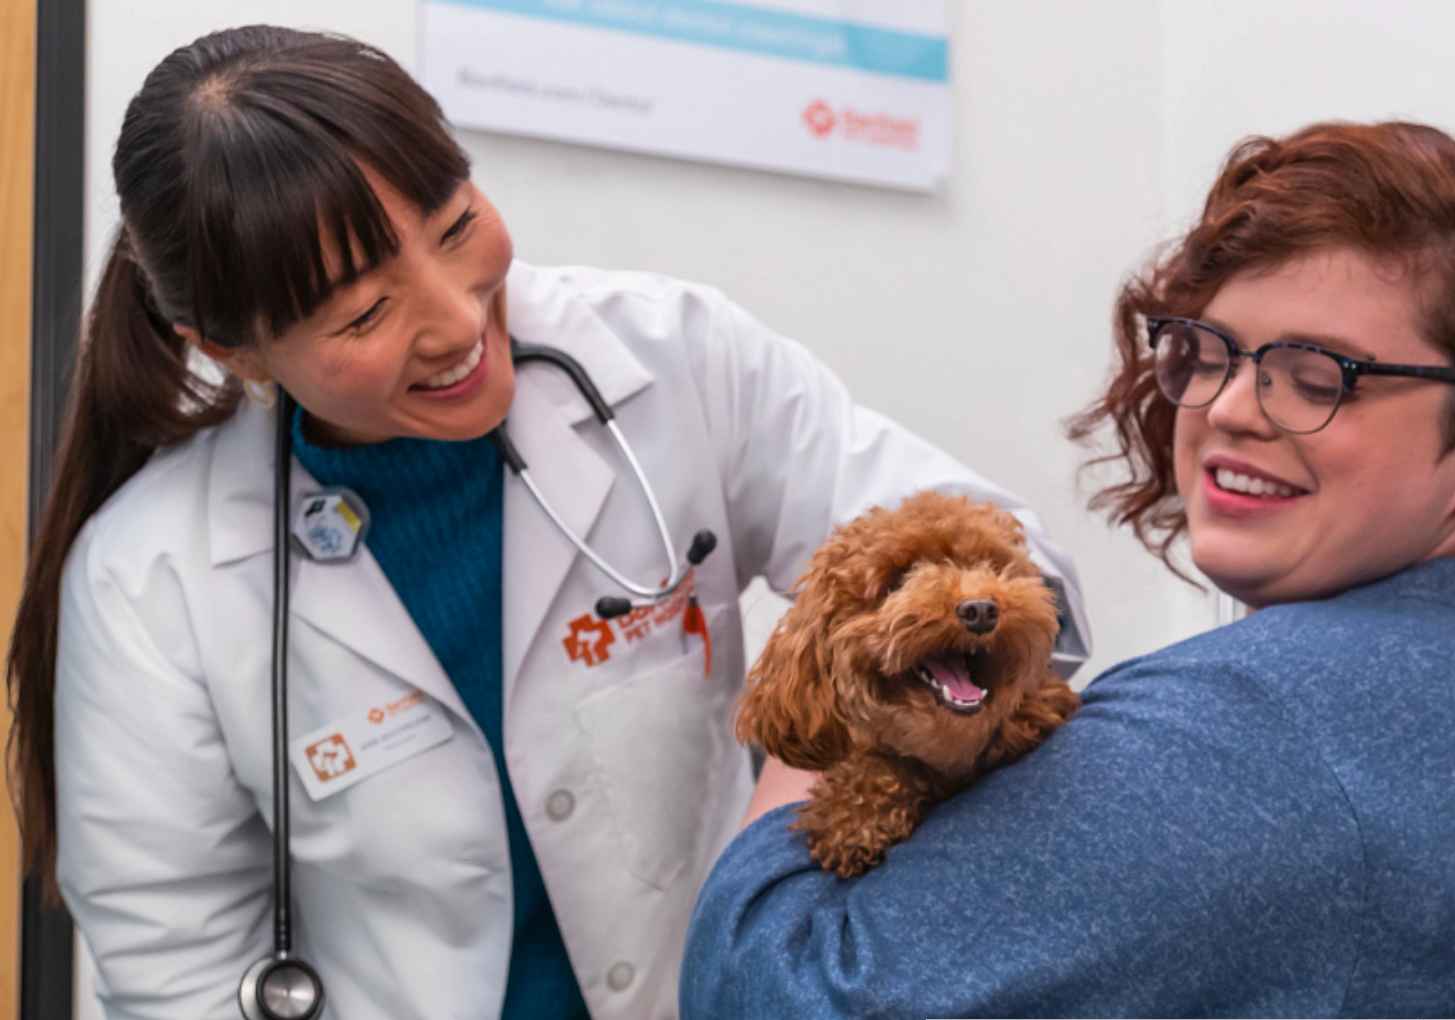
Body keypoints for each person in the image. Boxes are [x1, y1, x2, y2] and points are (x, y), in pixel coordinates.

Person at [3, 25, 1091, 1020]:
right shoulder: (152, 578)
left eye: (455, 226)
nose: (455, 318)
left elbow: (1017, 567)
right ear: (231, 348)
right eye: (366, 312)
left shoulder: (673, 357)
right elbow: (178, 976)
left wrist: (789, 818)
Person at [681, 120, 1455, 1018]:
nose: (1229, 409)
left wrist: (840, 705)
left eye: (1316, 376)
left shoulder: (1244, 729)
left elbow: (778, 990)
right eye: (1210, 355)